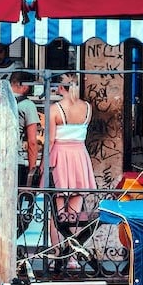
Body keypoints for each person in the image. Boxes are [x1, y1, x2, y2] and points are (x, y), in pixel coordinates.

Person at [48, 72, 97, 219]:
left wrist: (44, 164)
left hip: (60, 156)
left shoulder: (55, 109)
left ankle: (57, 242)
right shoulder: (87, 107)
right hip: (80, 156)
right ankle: (72, 241)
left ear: (61, 87)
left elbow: (50, 140)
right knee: (75, 212)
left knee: (57, 212)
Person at [10, 71, 42, 187]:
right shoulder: (27, 105)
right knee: (16, 202)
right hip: (14, 160)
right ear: (23, 85)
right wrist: (32, 171)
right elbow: (32, 142)